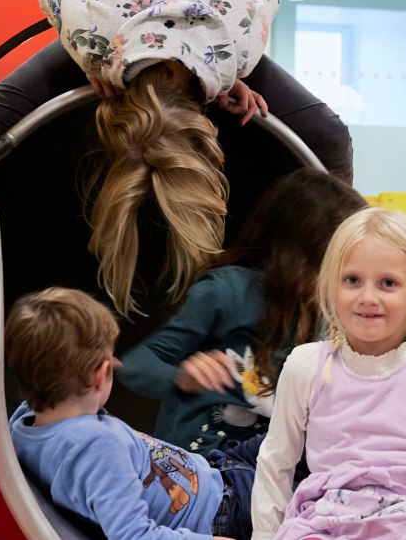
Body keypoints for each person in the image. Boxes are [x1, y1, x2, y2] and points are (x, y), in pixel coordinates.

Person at [0, 0, 353, 371]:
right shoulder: (93, 39)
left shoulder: (237, 47)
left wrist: (228, 74)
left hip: (215, 29)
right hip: (118, 22)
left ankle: (335, 269)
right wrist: (92, 61)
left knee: (329, 137)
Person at [251, 208, 406, 539]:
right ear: (330, 287)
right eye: (352, 280)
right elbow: (275, 462)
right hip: (322, 524)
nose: (367, 298)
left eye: (388, 283)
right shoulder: (305, 366)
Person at [118, 168, 368, 453]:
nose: (337, 281)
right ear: (293, 253)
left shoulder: (324, 311)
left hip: (268, 461)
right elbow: (135, 365)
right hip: (199, 463)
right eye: (328, 265)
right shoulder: (227, 292)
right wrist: (182, 375)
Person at [6, 287, 258, 540]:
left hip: (216, 470)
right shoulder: (96, 447)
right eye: (111, 362)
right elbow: (135, 536)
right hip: (222, 511)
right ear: (100, 375)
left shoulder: (22, 426)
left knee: (276, 441)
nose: (117, 363)